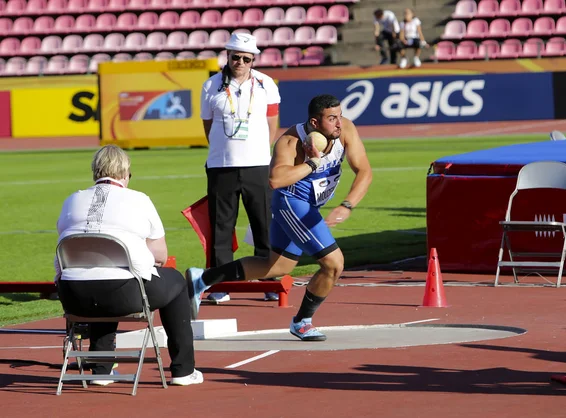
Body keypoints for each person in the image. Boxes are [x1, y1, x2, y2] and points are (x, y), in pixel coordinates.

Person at [186, 94, 373, 341]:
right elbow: (275, 180)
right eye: (332, 118)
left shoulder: (345, 129)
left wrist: (347, 205)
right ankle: (302, 321)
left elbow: (365, 171)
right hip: (292, 203)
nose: (339, 122)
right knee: (334, 264)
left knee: (275, 266)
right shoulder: (290, 141)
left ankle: (202, 278)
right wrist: (313, 163)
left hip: (310, 206)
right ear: (315, 123)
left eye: (339, 115)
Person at [55, 145, 202, 386]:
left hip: (73, 296)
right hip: (124, 294)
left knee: (100, 273)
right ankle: (183, 369)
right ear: (126, 174)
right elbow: (160, 256)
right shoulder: (139, 199)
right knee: (175, 281)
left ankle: (101, 370)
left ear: (95, 172)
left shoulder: (72, 199)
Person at [200, 32, 281, 304]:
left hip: (257, 165)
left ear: (253, 60)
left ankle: (269, 281)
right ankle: (222, 285)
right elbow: (207, 126)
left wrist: (261, 152)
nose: (241, 62)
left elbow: (273, 123)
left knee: (264, 225)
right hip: (222, 166)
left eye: (247, 58)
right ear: (228, 55)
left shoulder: (266, 84)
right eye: (236, 57)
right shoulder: (210, 86)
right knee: (221, 228)